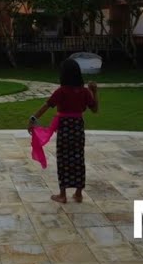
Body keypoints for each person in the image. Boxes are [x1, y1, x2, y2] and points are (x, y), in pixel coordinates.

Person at [28, 58, 99, 203]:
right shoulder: (84, 92)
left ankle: (63, 194)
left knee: (63, 159)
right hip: (78, 126)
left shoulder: (61, 91)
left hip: (65, 128)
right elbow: (95, 109)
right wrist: (94, 91)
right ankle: (78, 193)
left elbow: (46, 106)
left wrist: (33, 118)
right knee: (78, 158)